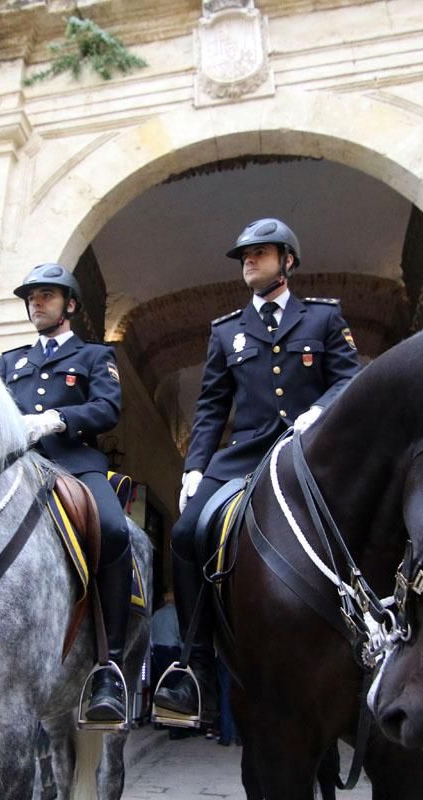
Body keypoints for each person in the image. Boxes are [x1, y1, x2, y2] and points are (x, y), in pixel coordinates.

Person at [152, 218, 362, 723]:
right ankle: (195, 667)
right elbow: (210, 408)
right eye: (244, 254)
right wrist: (194, 470)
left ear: (288, 261)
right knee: (184, 535)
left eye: (261, 252)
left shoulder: (323, 319)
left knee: (378, 509)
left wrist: (319, 413)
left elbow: (350, 378)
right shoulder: (226, 331)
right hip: (245, 454)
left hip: (314, 448)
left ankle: (396, 640)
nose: (249, 260)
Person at [0, 263, 132, 724]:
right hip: (15, 463)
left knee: (113, 532)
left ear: (70, 304)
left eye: (48, 295)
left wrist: (58, 418)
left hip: (73, 462)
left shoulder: (95, 356)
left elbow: (108, 407)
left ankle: (108, 666)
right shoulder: (10, 361)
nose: (37, 302)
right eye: (32, 296)